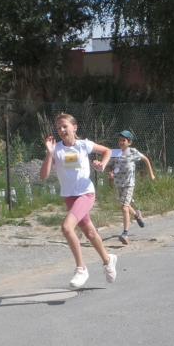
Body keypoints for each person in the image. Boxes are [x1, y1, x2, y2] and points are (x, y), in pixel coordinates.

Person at [40, 112, 117, 288]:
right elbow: (43, 176)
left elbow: (107, 151)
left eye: (65, 126)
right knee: (90, 233)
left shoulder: (83, 145)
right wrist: (49, 153)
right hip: (69, 197)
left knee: (67, 227)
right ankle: (108, 260)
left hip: (86, 193)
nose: (61, 130)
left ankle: (81, 268)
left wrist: (102, 164)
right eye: (59, 127)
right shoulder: (56, 149)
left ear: (74, 127)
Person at [109, 129, 155, 245]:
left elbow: (145, 159)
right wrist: (111, 174)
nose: (121, 142)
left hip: (129, 184)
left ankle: (125, 233)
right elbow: (111, 166)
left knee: (124, 207)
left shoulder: (133, 152)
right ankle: (136, 215)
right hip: (118, 184)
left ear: (129, 142)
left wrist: (151, 174)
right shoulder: (116, 153)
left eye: (123, 140)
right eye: (119, 140)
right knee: (126, 204)